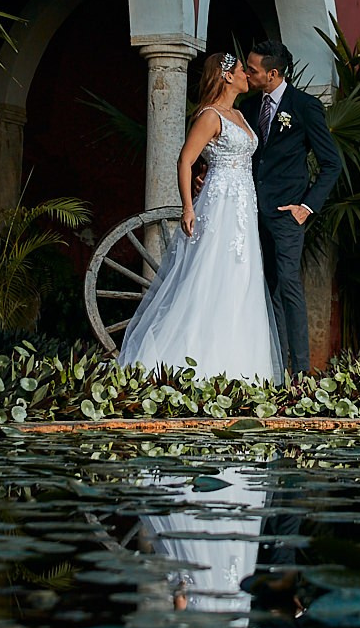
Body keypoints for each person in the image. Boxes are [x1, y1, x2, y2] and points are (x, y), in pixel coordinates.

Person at [114, 52, 286, 382]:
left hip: (243, 207)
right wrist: (188, 207)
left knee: (241, 277)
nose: (247, 76)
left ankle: (240, 366)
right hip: (219, 204)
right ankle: (191, 360)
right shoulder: (209, 115)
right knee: (212, 274)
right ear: (227, 76)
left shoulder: (239, 114)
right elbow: (185, 160)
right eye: (242, 71)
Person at [244, 41, 342, 378]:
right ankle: (276, 367)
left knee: (288, 283)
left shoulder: (304, 106)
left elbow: (332, 163)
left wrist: (306, 206)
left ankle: (301, 372)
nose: (247, 74)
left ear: (272, 74)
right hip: (250, 210)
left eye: (252, 69)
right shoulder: (248, 106)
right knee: (267, 285)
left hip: (287, 212)